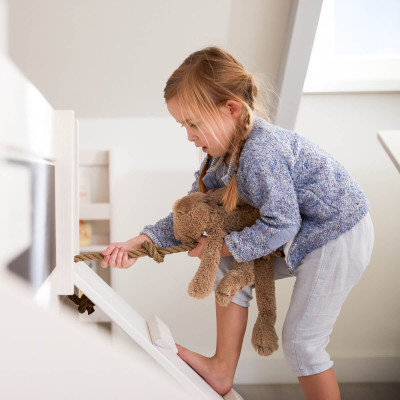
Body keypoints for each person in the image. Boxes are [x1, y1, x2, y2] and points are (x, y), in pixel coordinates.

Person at [100, 46, 374, 399]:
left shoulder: (261, 151)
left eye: (193, 123)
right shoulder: (220, 160)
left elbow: (282, 224)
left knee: (302, 345)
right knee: (228, 265)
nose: (189, 135)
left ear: (230, 109)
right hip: (307, 232)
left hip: (337, 233)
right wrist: (141, 241)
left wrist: (224, 245)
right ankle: (221, 369)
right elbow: (192, 214)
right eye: (183, 125)